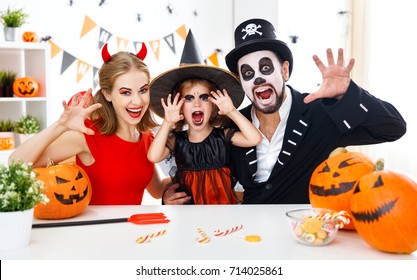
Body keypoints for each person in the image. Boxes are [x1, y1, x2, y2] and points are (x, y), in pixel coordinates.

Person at [163, 18, 407, 205]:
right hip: (249, 238)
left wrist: (347, 94)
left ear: (285, 70)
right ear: (241, 82)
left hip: (305, 236)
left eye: (266, 67)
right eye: (248, 73)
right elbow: (207, 173)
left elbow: (393, 128)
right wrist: (169, 196)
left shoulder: (321, 112)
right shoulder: (232, 125)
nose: (258, 78)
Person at [9, 43, 171, 205]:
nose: (137, 101)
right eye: (125, 92)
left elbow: (156, 190)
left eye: (143, 90)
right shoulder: (88, 136)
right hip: (93, 229)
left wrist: (192, 172)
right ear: (107, 94)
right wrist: (61, 125)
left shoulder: (147, 139)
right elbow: (16, 164)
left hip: (133, 229)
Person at [148, 30, 262, 204]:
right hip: (190, 214)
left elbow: (254, 138)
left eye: (204, 97)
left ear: (214, 104)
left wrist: (231, 110)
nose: (197, 104)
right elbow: (153, 156)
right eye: (189, 98)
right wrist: (167, 122)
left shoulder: (223, 136)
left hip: (223, 213)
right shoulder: (176, 140)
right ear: (179, 105)